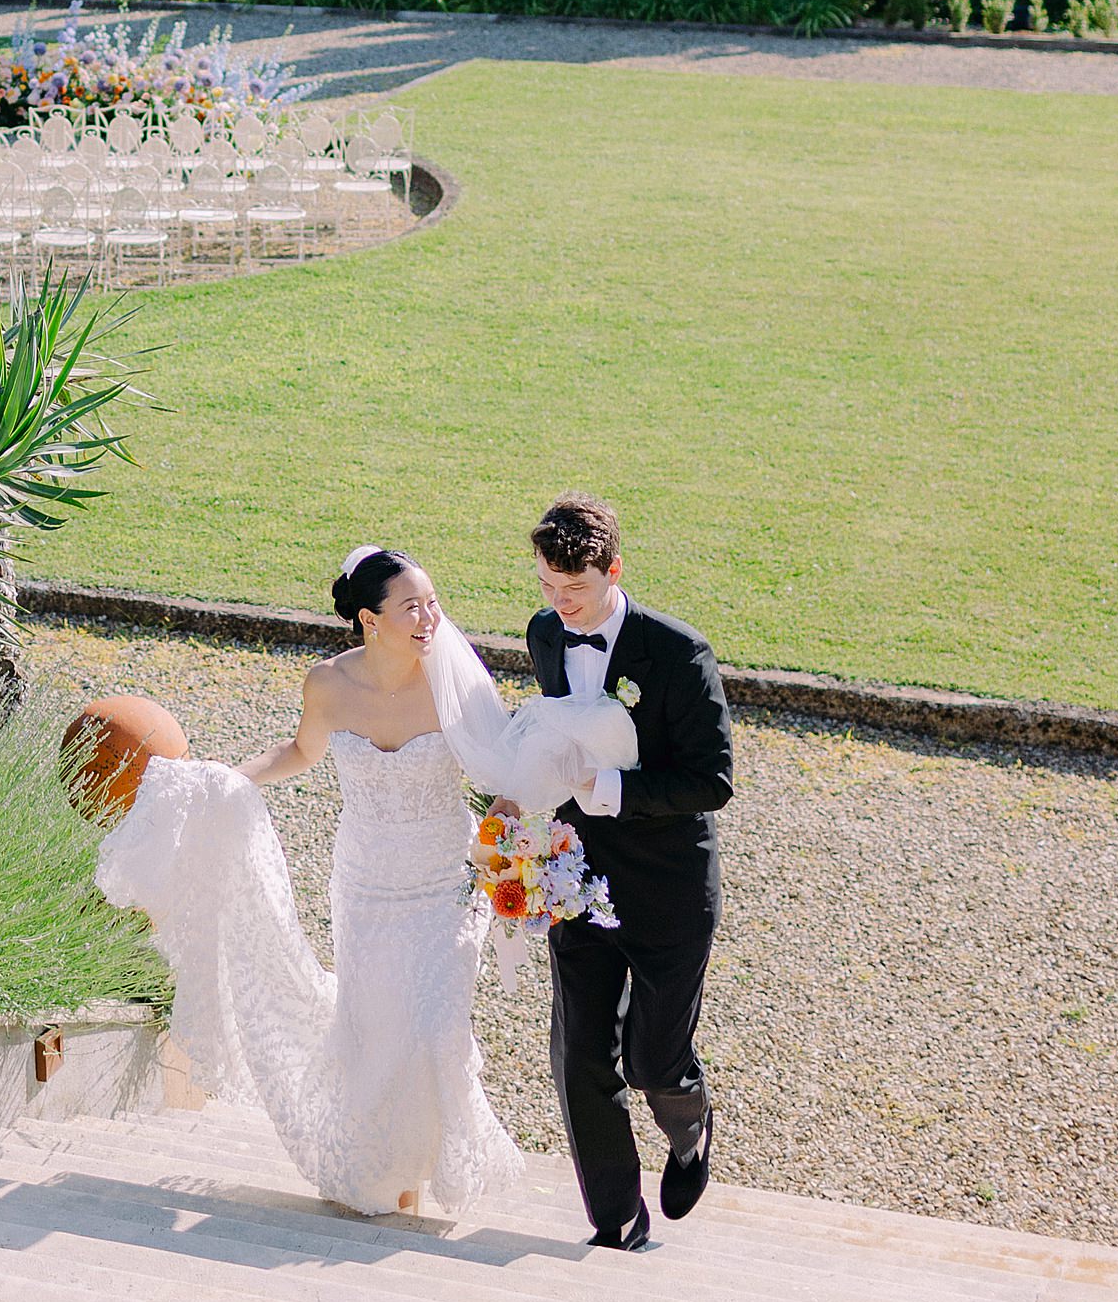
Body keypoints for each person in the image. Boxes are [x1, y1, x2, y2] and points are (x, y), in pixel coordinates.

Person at [96, 544, 635, 1220]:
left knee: (434, 1030)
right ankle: (385, 1180)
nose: (429, 618)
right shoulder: (328, 684)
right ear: (368, 619)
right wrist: (228, 780)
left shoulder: (454, 686)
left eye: (433, 604)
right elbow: (300, 752)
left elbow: (503, 780)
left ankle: (424, 1172)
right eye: (411, 607)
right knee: (377, 1033)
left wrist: (506, 844)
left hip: (443, 886)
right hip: (366, 884)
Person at [522, 494, 734, 1252]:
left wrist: (610, 792)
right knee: (579, 1053)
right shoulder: (545, 636)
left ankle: (690, 1126)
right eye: (547, 587)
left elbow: (712, 780)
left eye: (573, 590)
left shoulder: (679, 654)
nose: (559, 606)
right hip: (575, 878)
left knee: (653, 1058)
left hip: (668, 887)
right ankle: (615, 1218)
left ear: (614, 569)